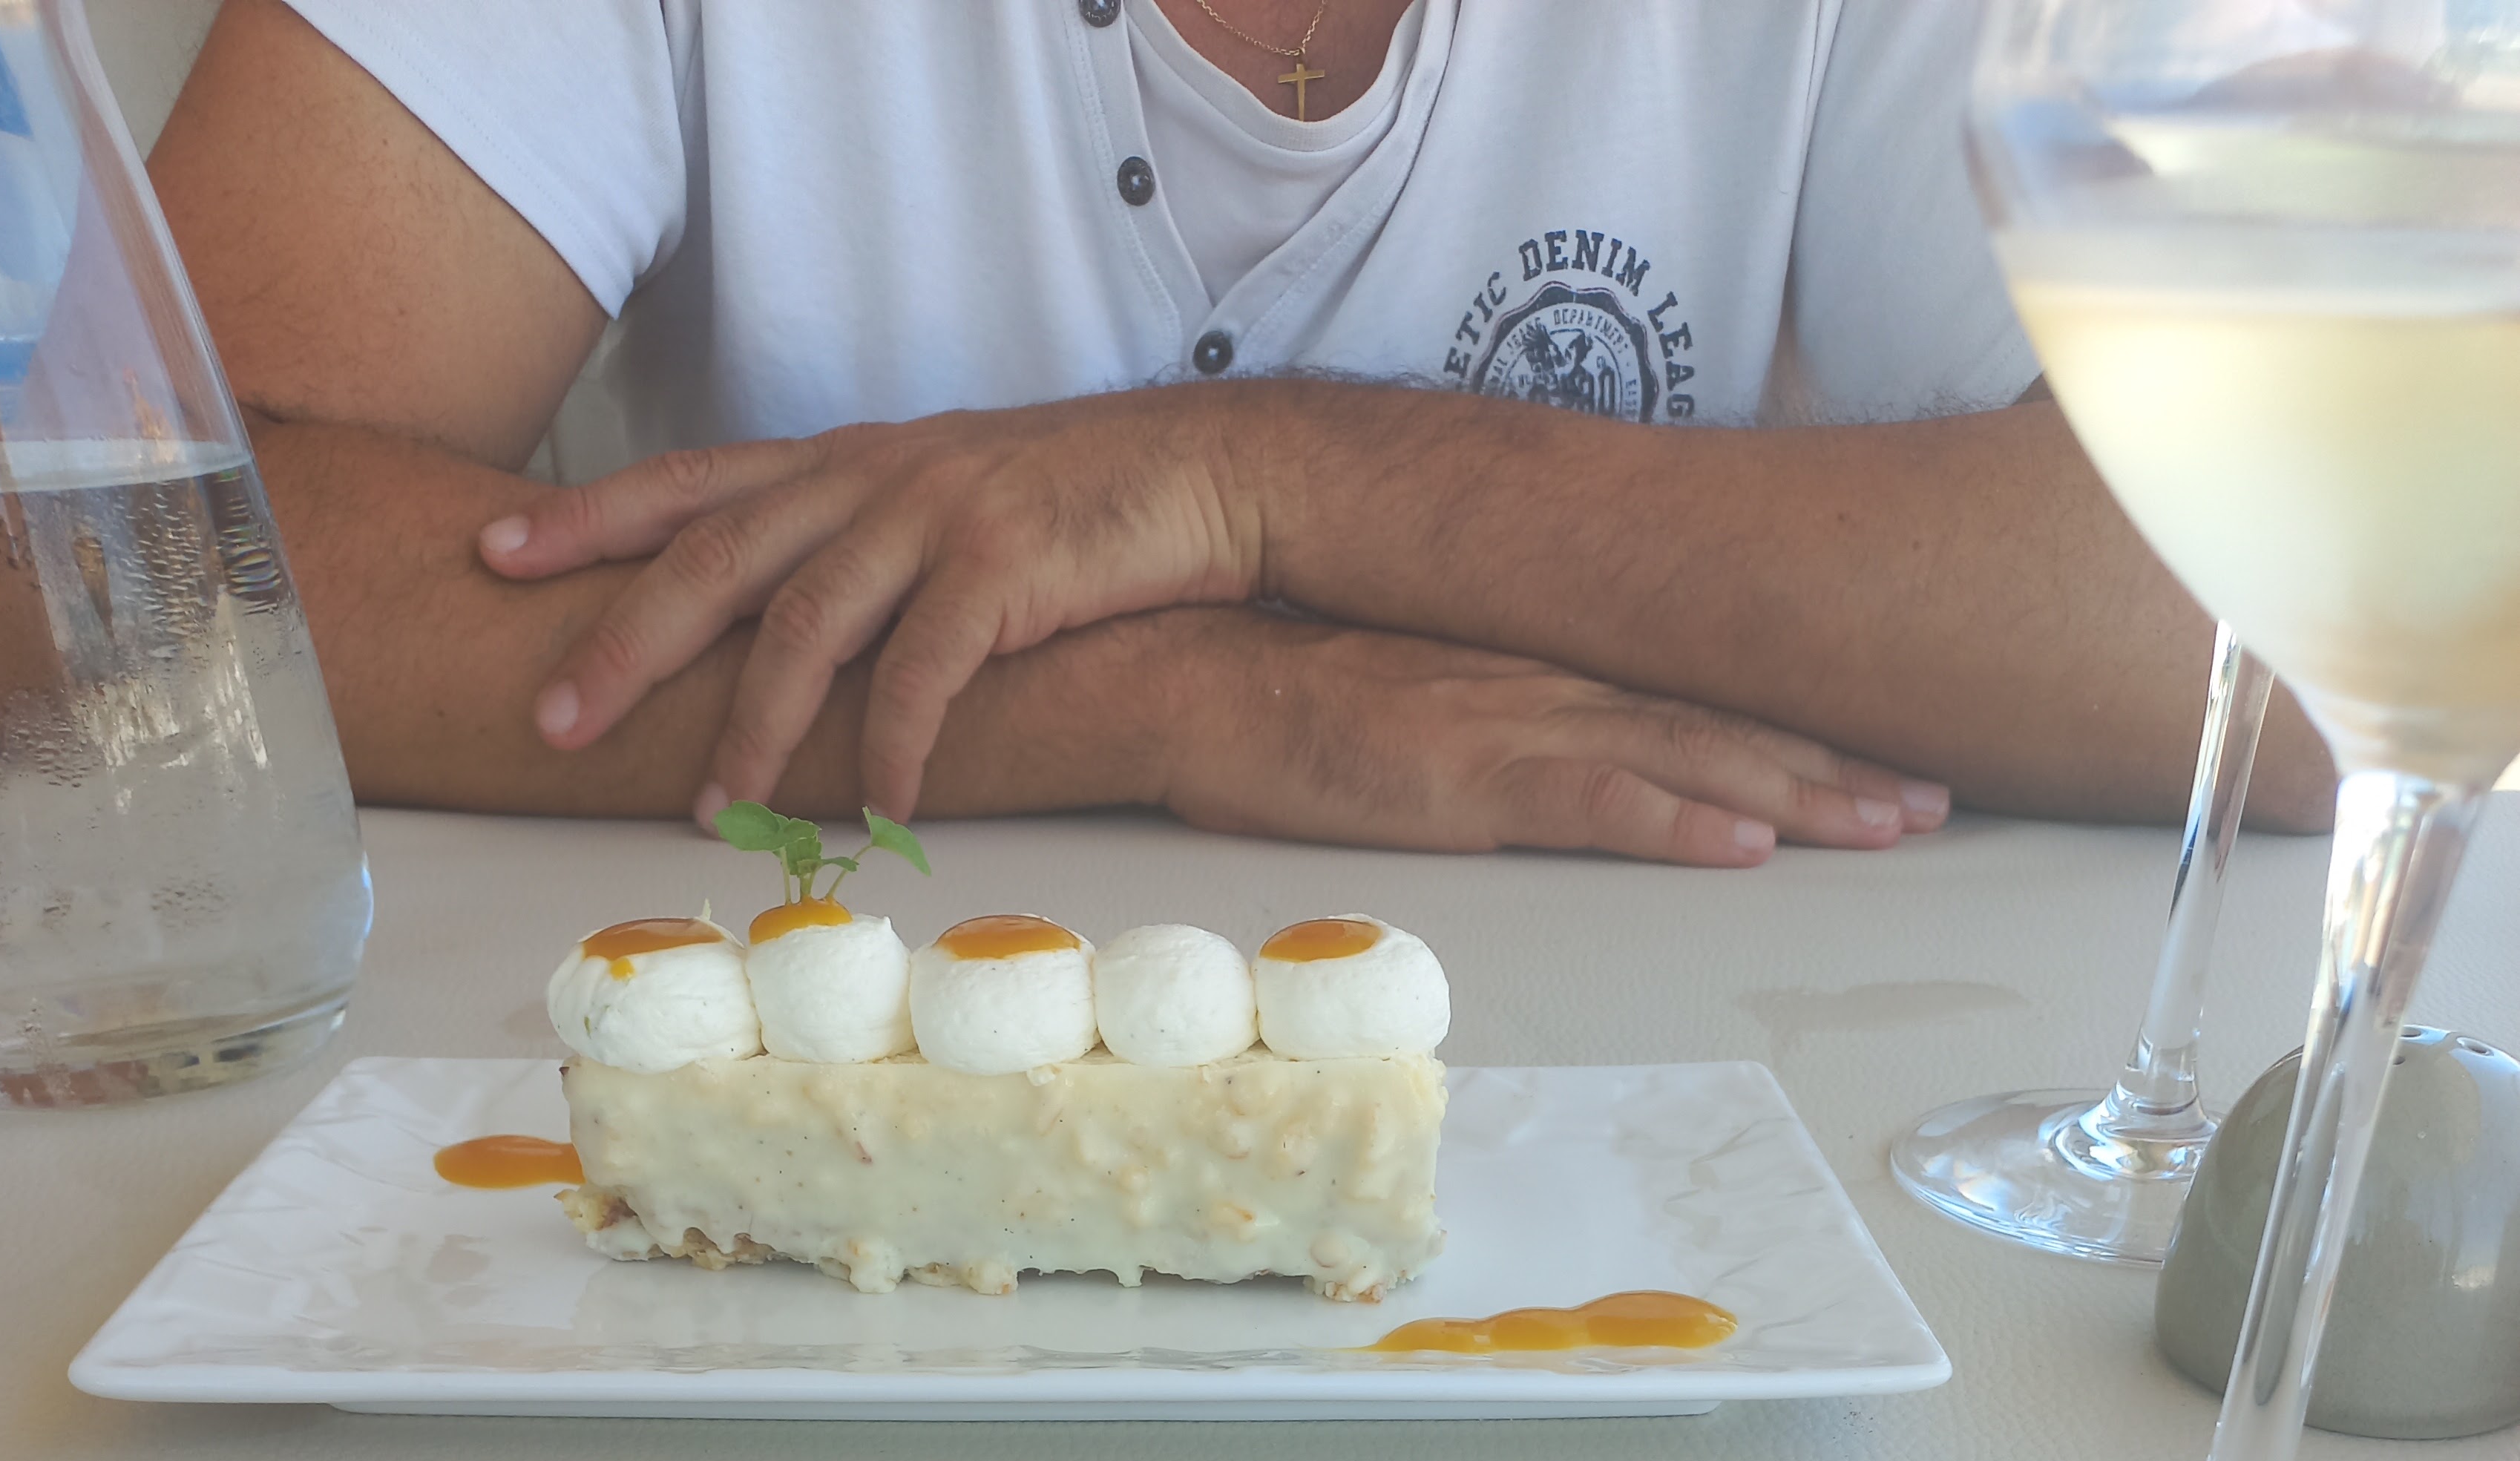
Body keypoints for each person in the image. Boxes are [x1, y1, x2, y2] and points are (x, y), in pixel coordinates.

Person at [150, 0, 2333, 859]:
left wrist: (1263, 480)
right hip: (786, 1082)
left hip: (1700, 1144)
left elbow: (2335, 617)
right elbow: (100, 566)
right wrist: (1166, 694)